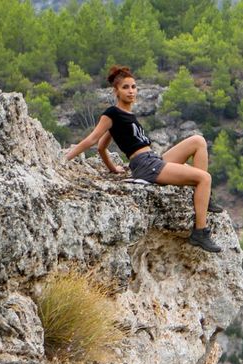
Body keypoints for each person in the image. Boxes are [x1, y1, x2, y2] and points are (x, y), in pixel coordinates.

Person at [64, 65, 222, 253]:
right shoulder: (111, 114)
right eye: (125, 87)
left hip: (153, 159)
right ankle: (199, 232)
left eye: (133, 87)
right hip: (146, 166)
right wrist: (66, 158)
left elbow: (102, 148)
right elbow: (93, 140)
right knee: (205, 178)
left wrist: (113, 168)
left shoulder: (127, 116)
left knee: (198, 140)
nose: (131, 91)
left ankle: (205, 198)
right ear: (116, 91)